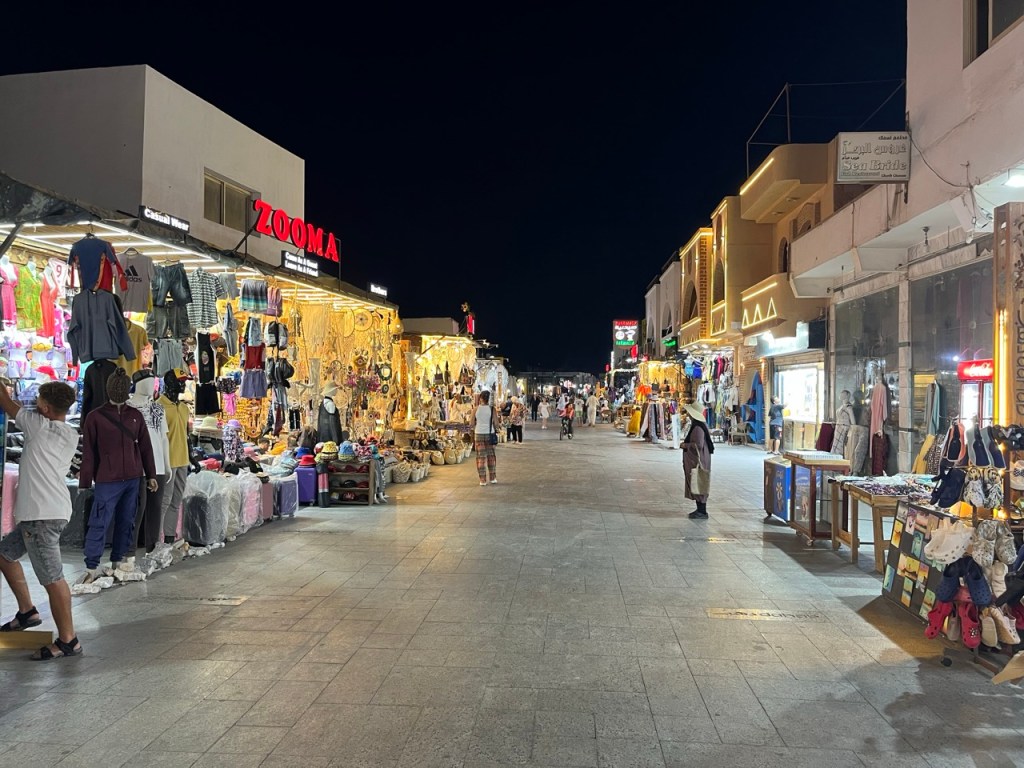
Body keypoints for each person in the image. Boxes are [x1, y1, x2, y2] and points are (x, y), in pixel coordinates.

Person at [0, 379, 83, 660]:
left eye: (38, 400)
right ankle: (27, 612)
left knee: (52, 579)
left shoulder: (37, 426)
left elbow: (6, 402)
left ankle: (69, 640)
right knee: (4, 555)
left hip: (41, 517)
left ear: (45, 407)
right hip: (51, 511)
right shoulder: (69, 433)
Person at [682, 402, 713, 519]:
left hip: (699, 460)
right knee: (698, 482)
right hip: (699, 459)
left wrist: (686, 445)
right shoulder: (699, 425)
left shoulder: (698, 428)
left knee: (699, 482)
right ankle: (700, 509)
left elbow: (698, 445)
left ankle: (702, 511)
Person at [472, 391, 499, 485]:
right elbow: (496, 423)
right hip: (489, 434)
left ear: (480, 398)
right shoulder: (492, 409)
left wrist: (477, 425)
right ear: (489, 399)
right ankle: (492, 478)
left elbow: (471, 423)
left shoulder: (475, 409)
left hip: (478, 434)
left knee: (480, 457)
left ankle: (482, 480)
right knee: (491, 457)